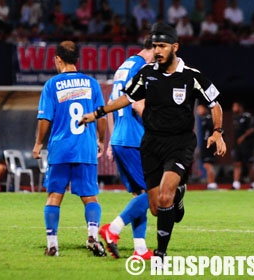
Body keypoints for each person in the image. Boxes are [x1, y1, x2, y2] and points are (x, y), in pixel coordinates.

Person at [78, 22, 226, 259]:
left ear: (174, 47)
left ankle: (158, 253)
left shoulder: (191, 76)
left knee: (162, 195)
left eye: (163, 46)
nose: (158, 50)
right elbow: (126, 99)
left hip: (179, 144)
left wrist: (217, 131)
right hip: (150, 145)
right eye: (155, 46)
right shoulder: (146, 74)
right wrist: (98, 113)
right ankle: (176, 197)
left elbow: (214, 103)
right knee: (157, 206)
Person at [32, 40, 107, 257]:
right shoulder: (91, 83)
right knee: (90, 197)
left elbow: (45, 118)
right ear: (77, 60)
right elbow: (101, 114)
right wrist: (101, 140)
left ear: (58, 59)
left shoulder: (52, 85)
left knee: (54, 196)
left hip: (60, 149)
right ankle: (93, 235)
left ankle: (52, 244)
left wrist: (38, 143)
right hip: (84, 148)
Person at [98, 34, 155, 260]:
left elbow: (113, 105)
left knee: (141, 194)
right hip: (136, 139)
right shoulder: (143, 69)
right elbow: (138, 104)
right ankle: (113, 229)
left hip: (122, 138)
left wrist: (112, 139)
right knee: (154, 194)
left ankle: (140, 249)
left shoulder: (123, 67)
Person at [232, 101, 254, 190]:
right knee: (237, 163)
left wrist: (243, 137)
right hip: (237, 145)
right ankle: (236, 184)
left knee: (249, 164)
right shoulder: (235, 118)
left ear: (240, 107)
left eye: (235, 106)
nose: (233, 108)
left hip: (247, 144)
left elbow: (252, 129)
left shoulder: (247, 116)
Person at [196, 104, 218, 190]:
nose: (198, 111)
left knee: (208, 165)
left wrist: (213, 142)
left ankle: (212, 183)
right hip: (205, 144)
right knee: (206, 164)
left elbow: (215, 131)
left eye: (200, 109)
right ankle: (210, 183)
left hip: (209, 144)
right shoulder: (203, 119)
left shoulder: (209, 118)